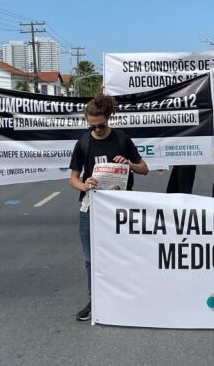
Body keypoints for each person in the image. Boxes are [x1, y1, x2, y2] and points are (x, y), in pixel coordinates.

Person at [69, 93, 149, 322]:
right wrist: (84, 184)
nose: (97, 130)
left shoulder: (122, 139)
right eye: (92, 126)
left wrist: (130, 165)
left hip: (120, 208)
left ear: (109, 117)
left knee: (123, 254)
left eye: (101, 125)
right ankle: (95, 299)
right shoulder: (83, 142)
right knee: (90, 257)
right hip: (90, 207)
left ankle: (125, 299)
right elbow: (72, 179)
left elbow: (145, 169)